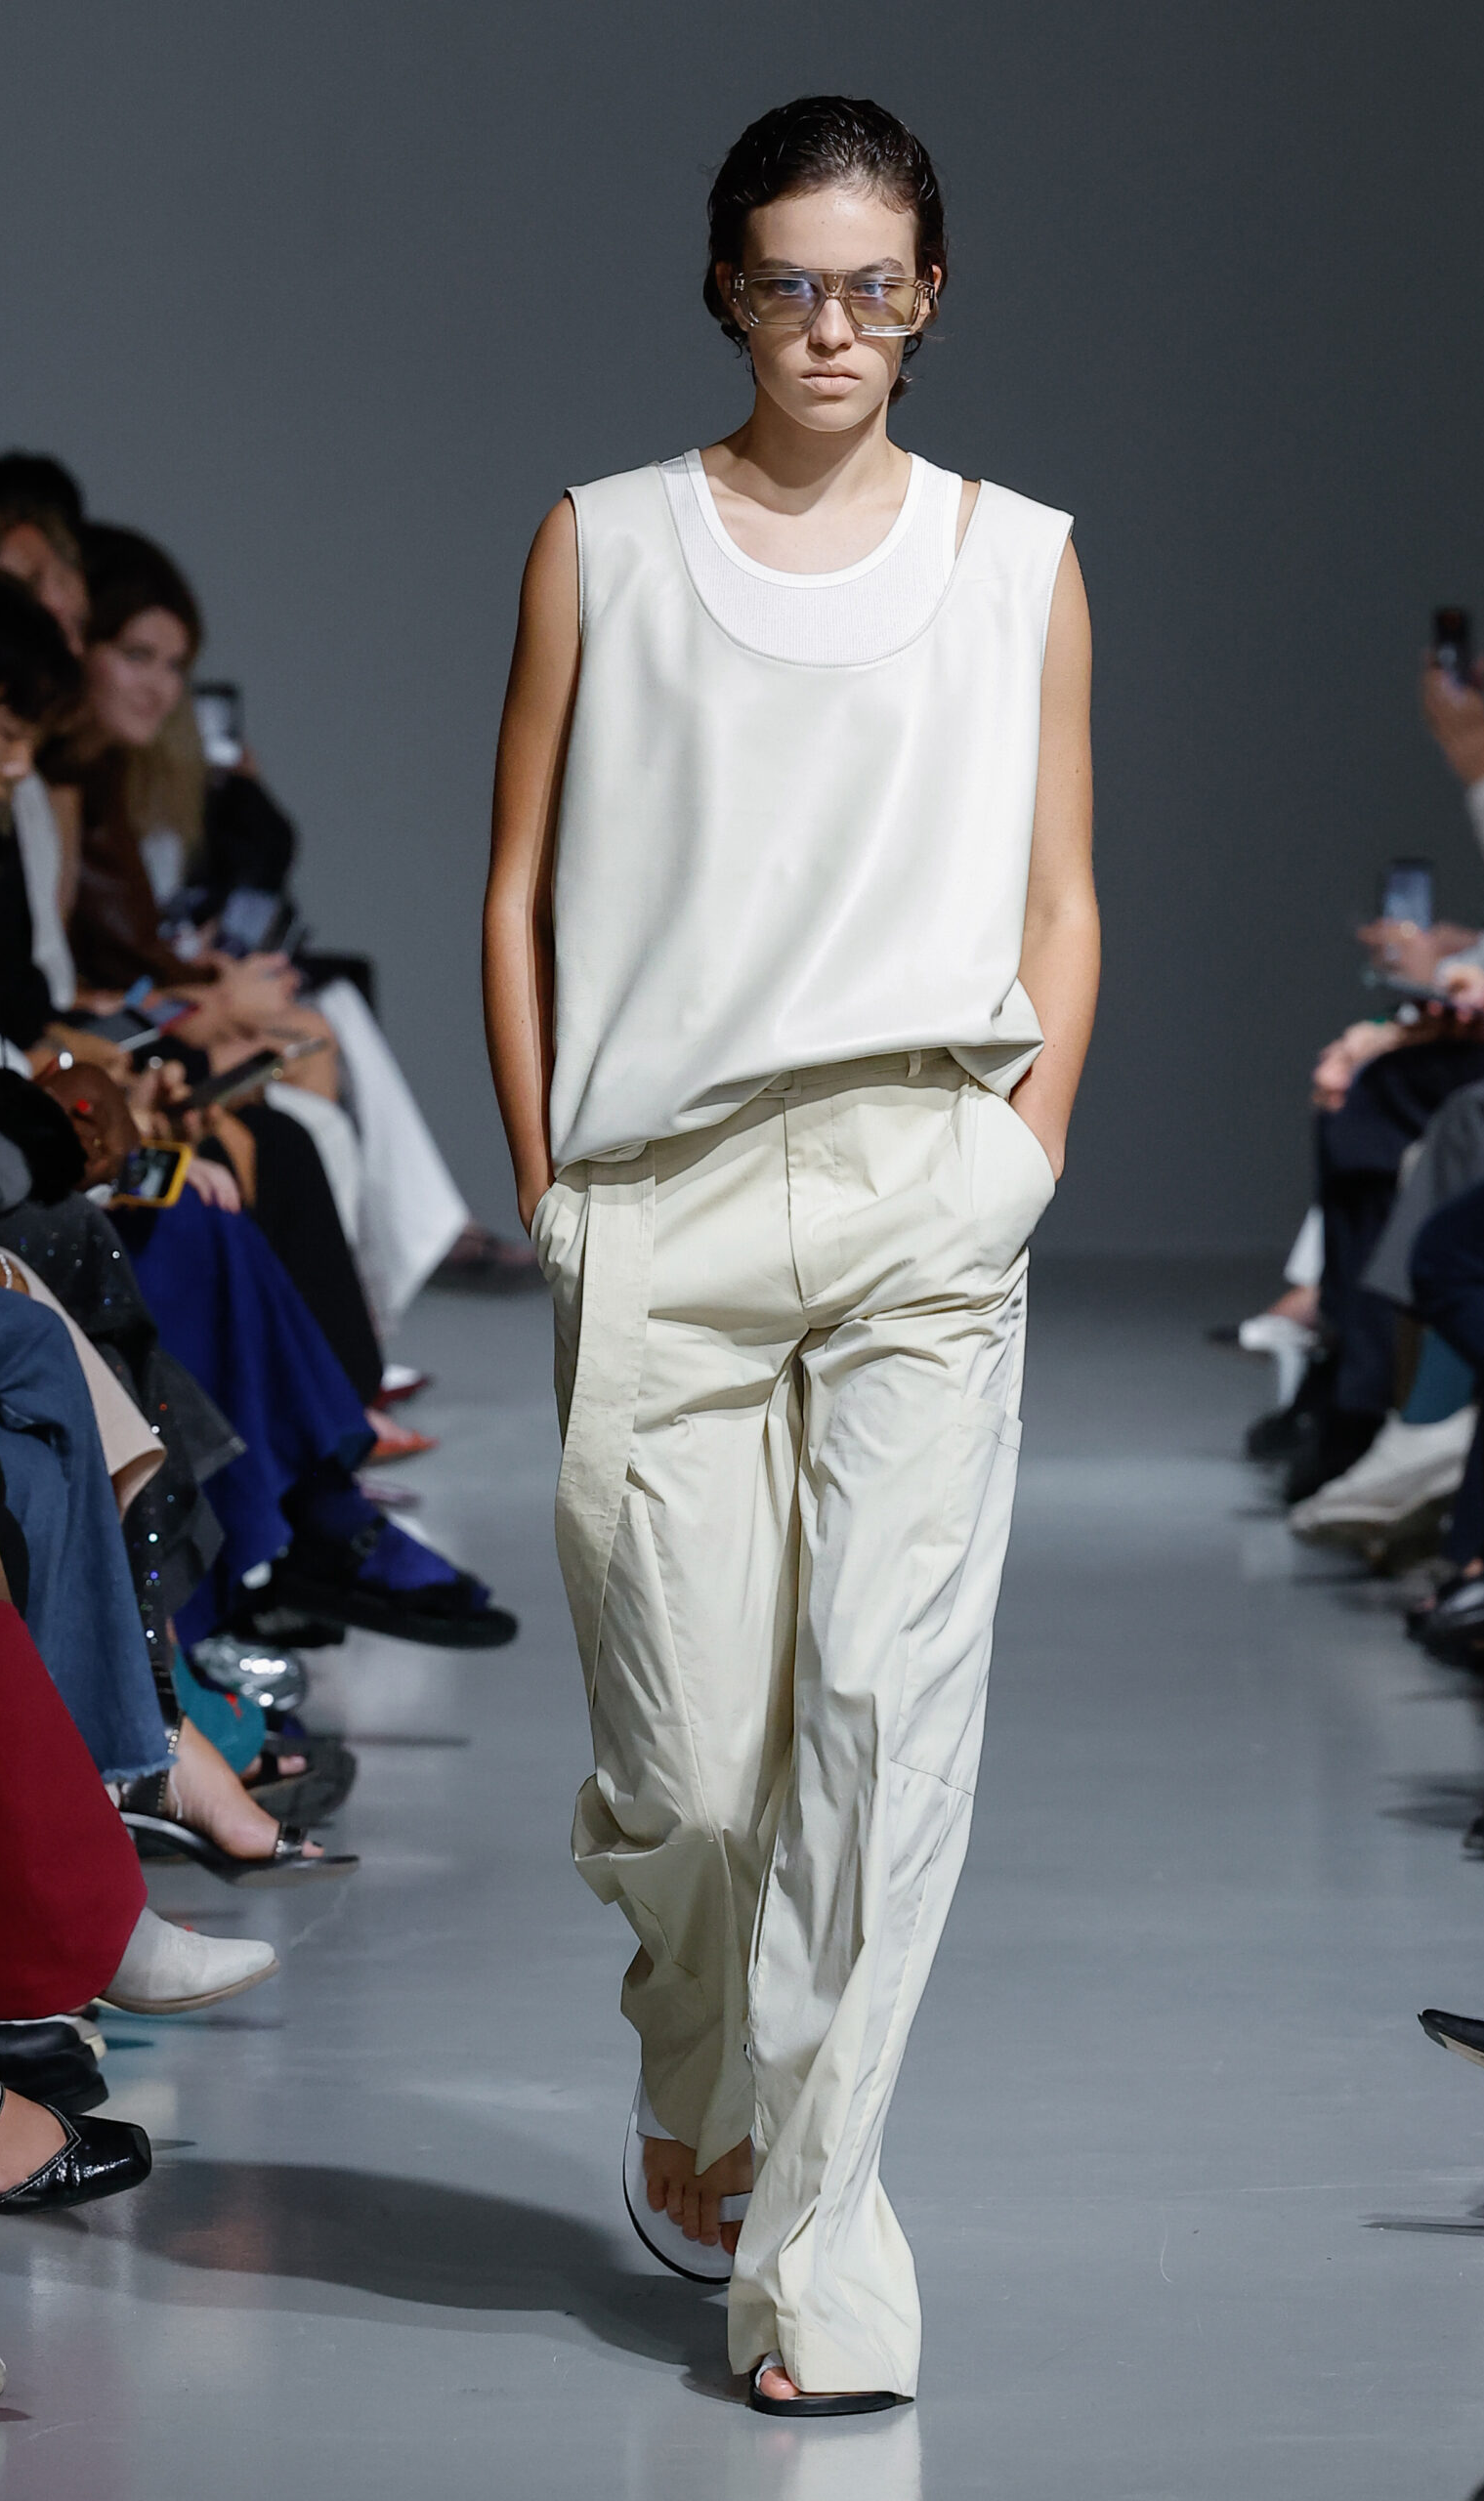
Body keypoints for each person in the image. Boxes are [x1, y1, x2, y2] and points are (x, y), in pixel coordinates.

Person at [485, 95, 1098, 2413]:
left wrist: (1019, 1149)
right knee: (691, 1775)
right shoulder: (601, 540)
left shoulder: (1015, 557)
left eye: (873, 282)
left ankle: (820, 2263)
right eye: (786, 280)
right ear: (723, 289)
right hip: (656, 1196)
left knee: (875, 1726)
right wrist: (550, 1184)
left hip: (925, 1177)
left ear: (929, 296)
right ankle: (699, 2074)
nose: (830, 324)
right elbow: (516, 886)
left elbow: (1061, 893)